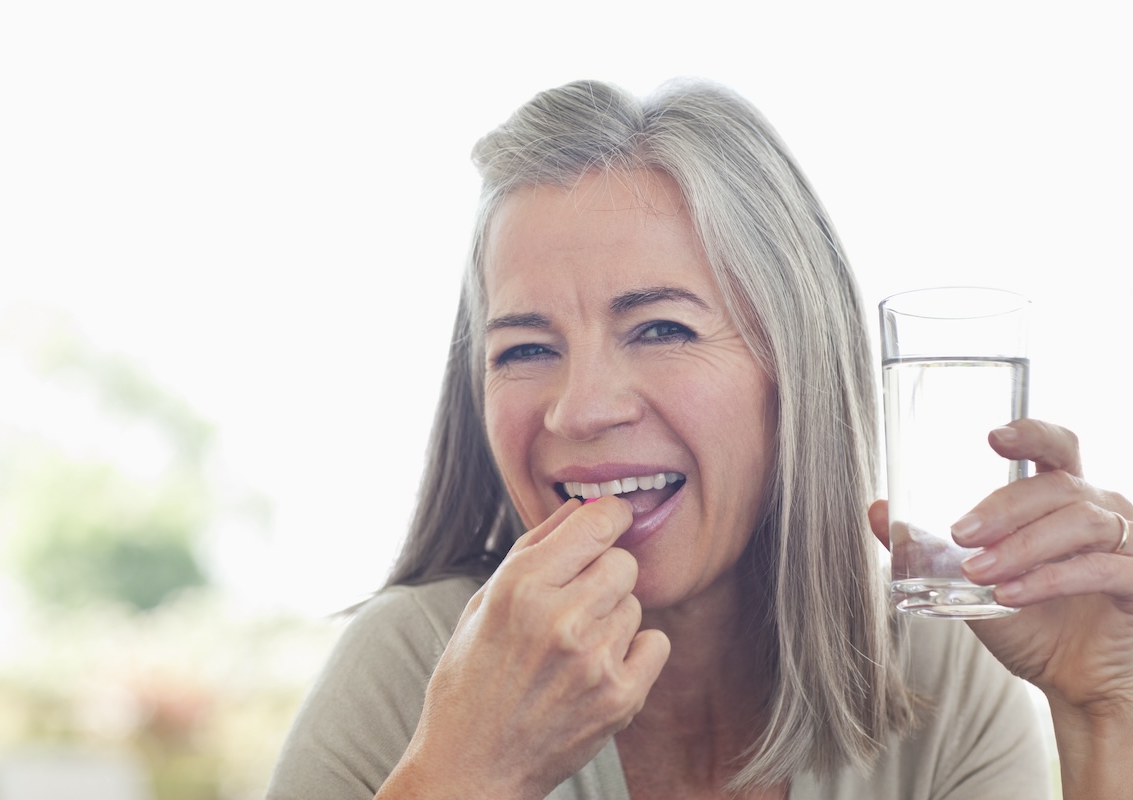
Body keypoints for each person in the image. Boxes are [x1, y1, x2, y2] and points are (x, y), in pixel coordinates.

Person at [267, 79, 1133, 799]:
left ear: (796, 367)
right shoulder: (410, 669)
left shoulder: (944, 675)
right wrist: (467, 772)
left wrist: (1105, 714)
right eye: (526, 349)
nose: (580, 411)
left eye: (661, 330)